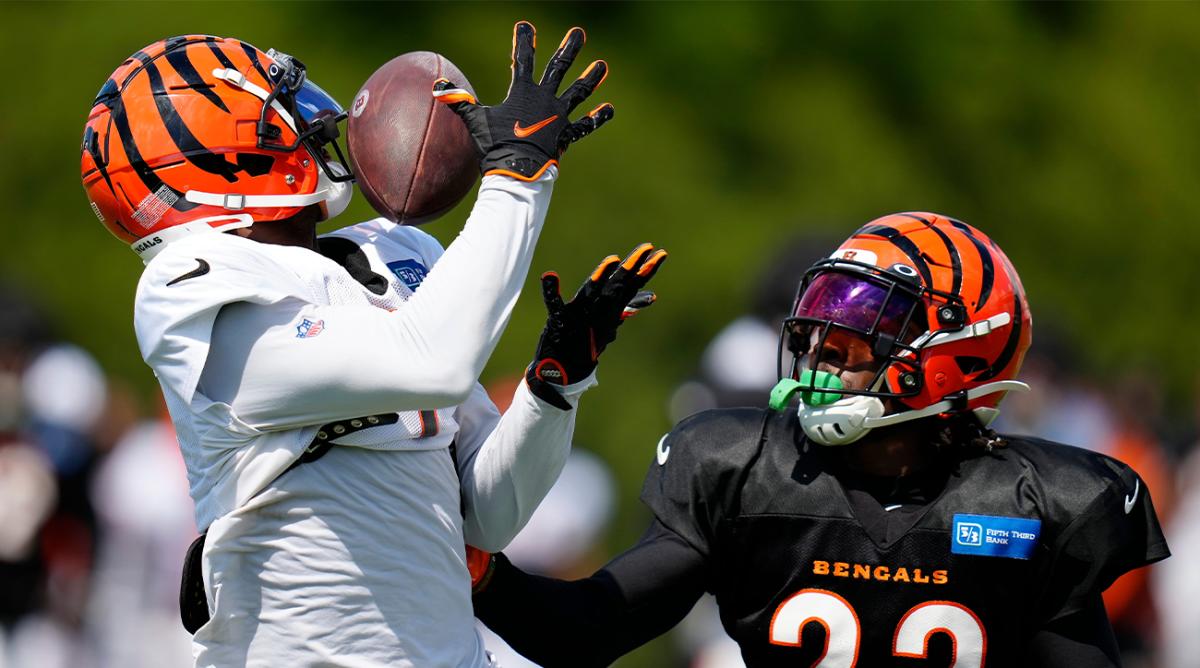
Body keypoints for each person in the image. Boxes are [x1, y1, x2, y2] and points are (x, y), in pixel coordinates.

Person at [80, 24, 666, 667]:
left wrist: (554, 385)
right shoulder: (188, 292)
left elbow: (488, 517)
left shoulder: (388, 255)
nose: (305, 122)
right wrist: (517, 179)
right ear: (226, 158)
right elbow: (431, 360)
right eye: (273, 116)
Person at [473, 212, 1169, 668]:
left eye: (864, 324)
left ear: (958, 353)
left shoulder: (1035, 506)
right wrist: (476, 567)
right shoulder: (745, 468)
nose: (821, 346)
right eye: (822, 320)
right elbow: (588, 626)